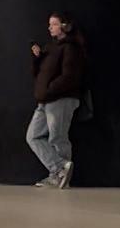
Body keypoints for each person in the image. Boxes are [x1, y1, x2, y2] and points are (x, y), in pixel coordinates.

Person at [29, 12, 87, 188]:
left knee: (58, 137)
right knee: (33, 136)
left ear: (64, 26)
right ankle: (60, 168)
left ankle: (60, 177)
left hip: (61, 99)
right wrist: (37, 59)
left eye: (53, 24)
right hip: (45, 100)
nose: (49, 27)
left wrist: (49, 91)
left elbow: (70, 77)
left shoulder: (71, 48)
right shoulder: (50, 47)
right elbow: (37, 74)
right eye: (49, 24)